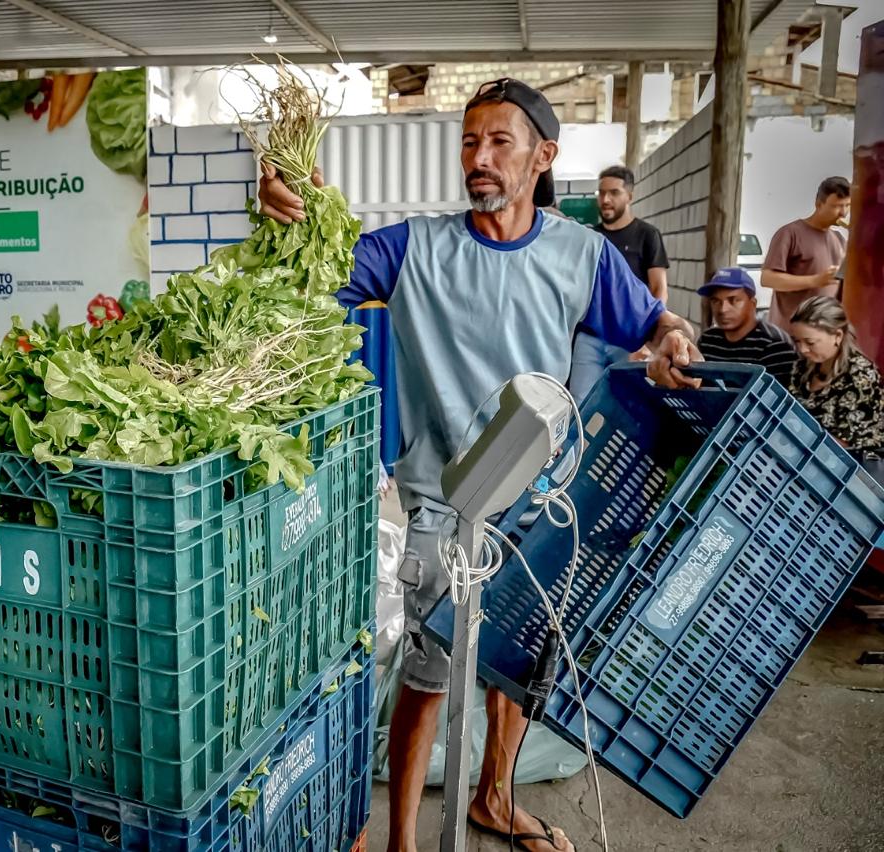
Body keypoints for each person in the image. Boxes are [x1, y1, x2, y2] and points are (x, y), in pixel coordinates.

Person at [258, 77, 699, 852]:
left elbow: (651, 321)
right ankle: (401, 840)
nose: (481, 158)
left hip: (543, 499)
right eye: (470, 142)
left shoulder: (581, 253)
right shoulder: (413, 248)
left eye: (500, 142)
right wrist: (290, 220)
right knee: (426, 679)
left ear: (542, 156)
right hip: (441, 503)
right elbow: (309, 282)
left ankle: (494, 796)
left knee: (523, 667)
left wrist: (668, 335)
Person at [569, 164, 671, 400]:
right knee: (580, 405)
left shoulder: (647, 234)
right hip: (589, 335)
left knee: (631, 403)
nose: (605, 199)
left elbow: (659, 289)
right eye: (601, 193)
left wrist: (646, 339)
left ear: (629, 196)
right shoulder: (590, 238)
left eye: (614, 193)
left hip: (629, 338)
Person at [788, 296, 884, 465]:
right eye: (797, 341)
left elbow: (847, 443)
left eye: (810, 342)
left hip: (853, 467)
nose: (802, 349)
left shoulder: (860, 375)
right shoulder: (801, 367)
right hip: (806, 457)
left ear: (837, 336)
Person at [761, 176, 851, 332]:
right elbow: (767, 279)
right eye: (836, 206)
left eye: (847, 205)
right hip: (790, 334)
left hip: (823, 336)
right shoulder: (790, 233)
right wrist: (815, 280)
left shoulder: (839, 239)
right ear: (818, 204)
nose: (843, 213)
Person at [696, 266, 798, 386]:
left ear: (752, 304)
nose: (723, 309)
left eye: (733, 300)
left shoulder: (774, 344)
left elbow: (778, 398)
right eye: (716, 301)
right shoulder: (708, 340)